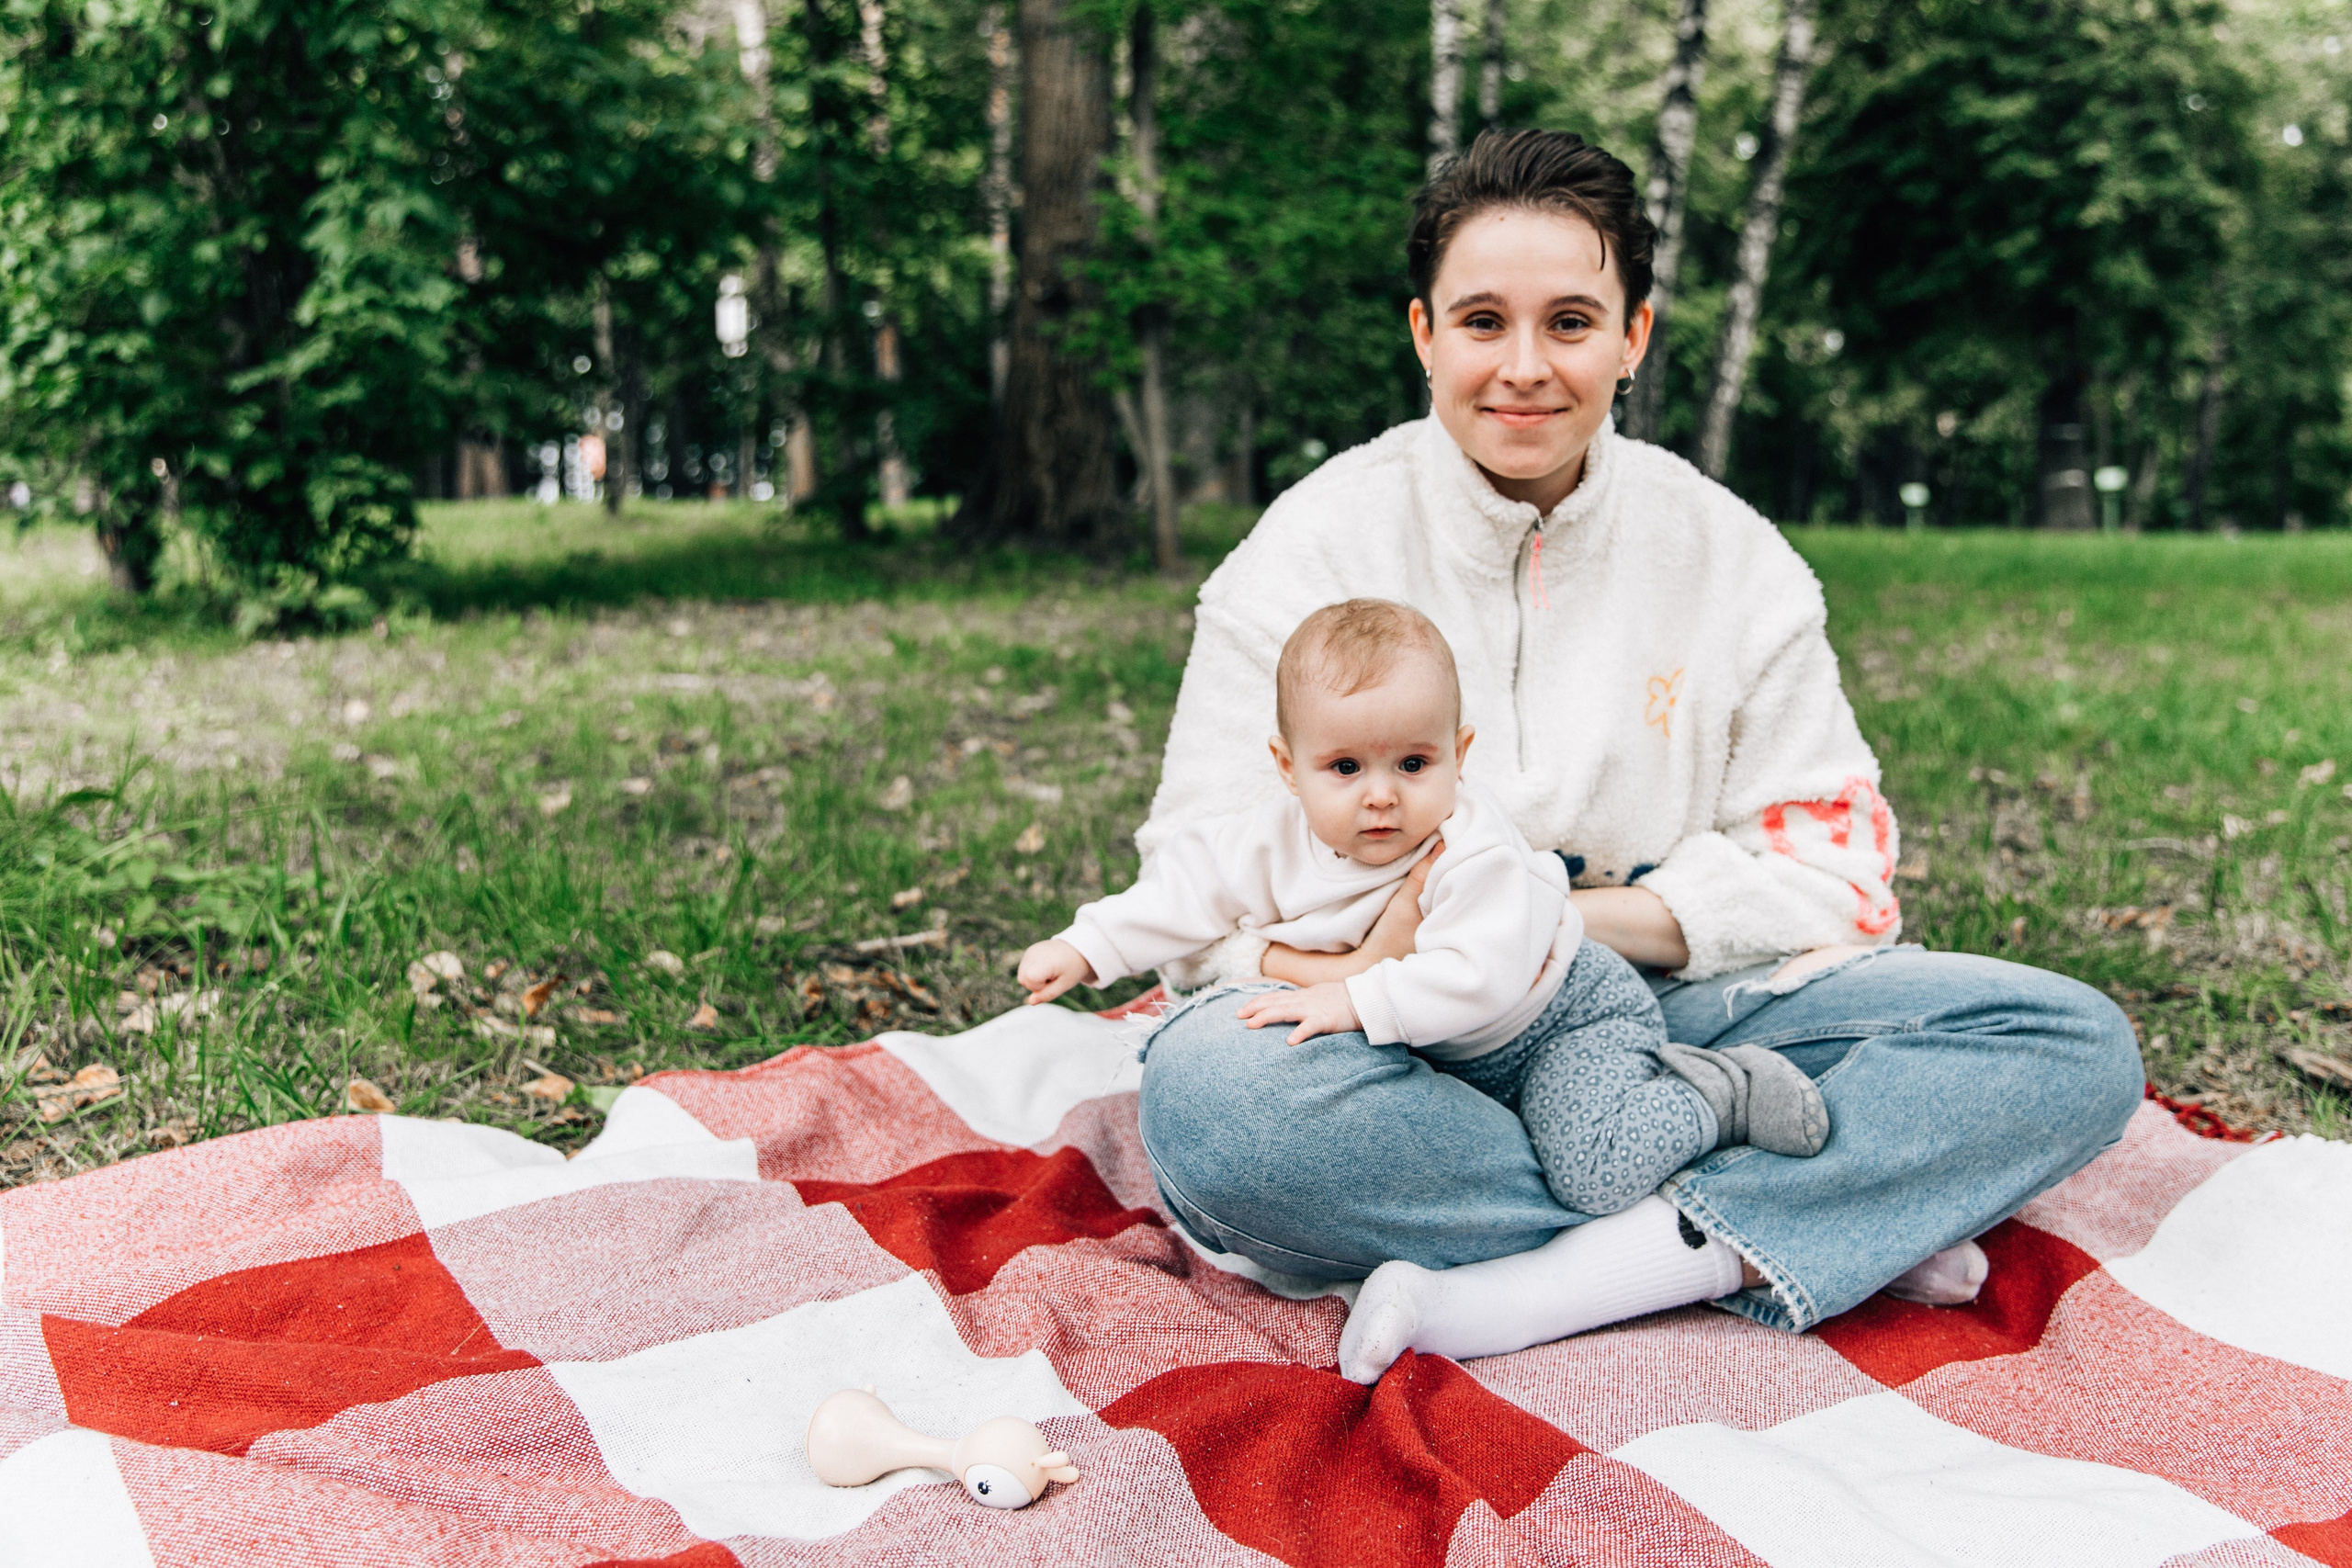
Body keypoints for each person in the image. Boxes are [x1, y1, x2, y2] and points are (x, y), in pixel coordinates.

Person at [1126, 128, 2145, 1384]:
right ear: (1423, 334)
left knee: (2067, 1041)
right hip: (1389, 1036)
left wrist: (1551, 924)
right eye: (1482, 321)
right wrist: (1392, 960)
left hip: (1665, 1011)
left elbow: (1833, 863)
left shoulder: (1732, 556)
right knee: (1217, 1109)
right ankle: (1807, 1218)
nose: (1523, 367)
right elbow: (1190, 892)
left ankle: (1603, 1260)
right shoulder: (1303, 554)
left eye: (1569, 321)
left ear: (1634, 337)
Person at [1020, 598, 1827, 1222]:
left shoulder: (1474, 850)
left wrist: (1354, 994)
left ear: (1459, 755)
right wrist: (1088, 946)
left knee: (1595, 1170)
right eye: (1344, 766)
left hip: (1558, 1021)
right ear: (1287, 768)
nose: (1382, 794)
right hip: (1446, 1046)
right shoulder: (1262, 841)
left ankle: (1715, 1092)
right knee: (1268, 1094)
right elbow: (1182, 893)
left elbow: (1476, 977)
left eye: (1413, 761)